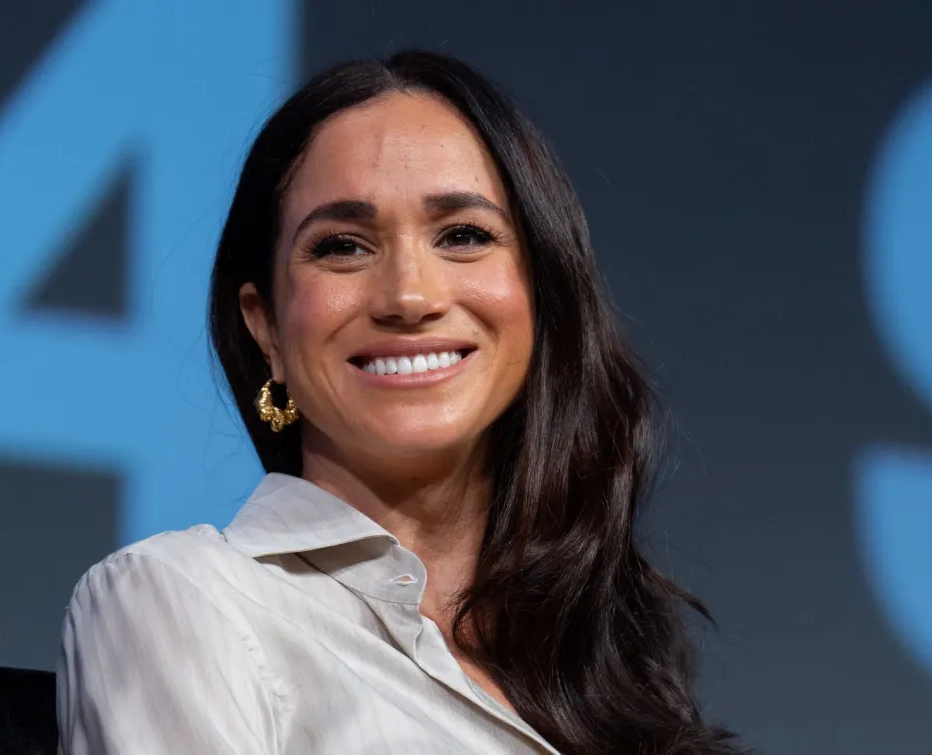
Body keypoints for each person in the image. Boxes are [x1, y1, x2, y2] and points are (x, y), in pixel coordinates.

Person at [56, 50, 743, 754]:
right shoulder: (183, 600)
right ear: (266, 327)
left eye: (464, 235)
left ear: (541, 295)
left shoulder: (615, 674)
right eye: (343, 247)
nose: (411, 296)